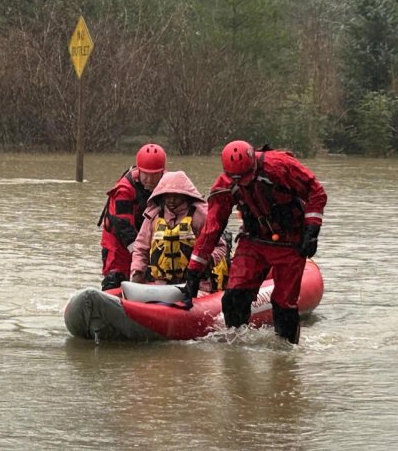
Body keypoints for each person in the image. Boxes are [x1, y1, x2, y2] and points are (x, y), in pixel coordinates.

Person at [183, 140, 327, 343]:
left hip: (290, 242)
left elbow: (316, 192)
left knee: (284, 303)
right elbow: (211, 229)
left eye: (247, 178)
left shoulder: (280, 166)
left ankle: (286, 355)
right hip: (254, 241)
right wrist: (193, 274)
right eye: (239, 180)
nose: (245, 183)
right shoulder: (225, 186)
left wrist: (312, 230)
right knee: (234, 296)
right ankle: (235, 351)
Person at [127, 170, 229, 294]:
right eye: (168, 196)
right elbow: (141, 249)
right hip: (161, 285)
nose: (172, 200)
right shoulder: (153, 217)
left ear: (186, 195)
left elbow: (220, 246)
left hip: (196, 284)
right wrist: (137, 272)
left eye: (176, 196)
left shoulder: (200, 216)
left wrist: (209, 261)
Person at [97, 143, 166, 290]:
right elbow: (123, 227)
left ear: (162, 172)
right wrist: (142, 258)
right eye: (146, 174)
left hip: (150, 242)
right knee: (116, 278)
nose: (150, 179)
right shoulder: (124, 191)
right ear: (138, 170)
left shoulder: (170, 186)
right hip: (120, 246)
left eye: (154, 175)